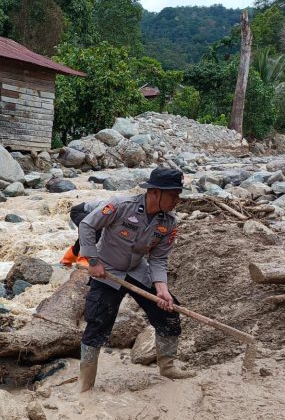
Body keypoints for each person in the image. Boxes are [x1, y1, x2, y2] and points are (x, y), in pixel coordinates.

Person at [71, 167, 196, 392]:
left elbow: (158, 259)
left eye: (179, 194)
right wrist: (92, 261)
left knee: (168, 311)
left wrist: (162, 288)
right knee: (98, 322)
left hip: (138, 270)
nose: (177, 199)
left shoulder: (167, 223)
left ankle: (167, 367)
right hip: (107, 271)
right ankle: (85, 381)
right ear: (155, 192)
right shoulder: (121, 205)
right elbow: (87, 225)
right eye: (173, 194)